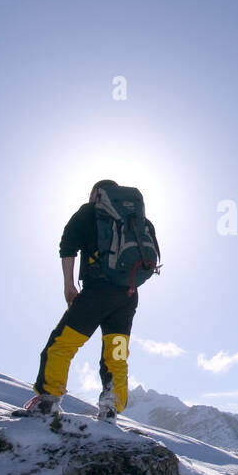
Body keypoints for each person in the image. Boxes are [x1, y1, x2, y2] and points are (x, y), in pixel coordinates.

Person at [22, 179, 159, 427]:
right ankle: (111, 407)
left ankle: (47, 400)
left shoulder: (90, 212)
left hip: (98, 291)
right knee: (116, 352)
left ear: (97, 194)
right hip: (128, 297)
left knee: (62, 344)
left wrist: (69, 285)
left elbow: (67, 246)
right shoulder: (138, 221)